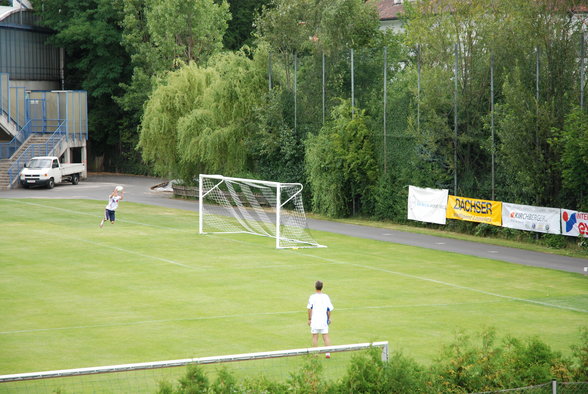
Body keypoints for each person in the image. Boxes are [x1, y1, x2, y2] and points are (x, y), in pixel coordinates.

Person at [307, 280, 334, 358]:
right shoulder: (326, 297)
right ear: (322, 287)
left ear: (315, 287)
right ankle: (328, 354)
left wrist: (309, 319)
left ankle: (315, 354)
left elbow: (309, 309)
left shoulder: (312, 297)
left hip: (315, 320)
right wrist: (328, 319)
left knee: (315, 337)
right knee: (325, 336)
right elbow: (329, 309)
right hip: (323, 320)